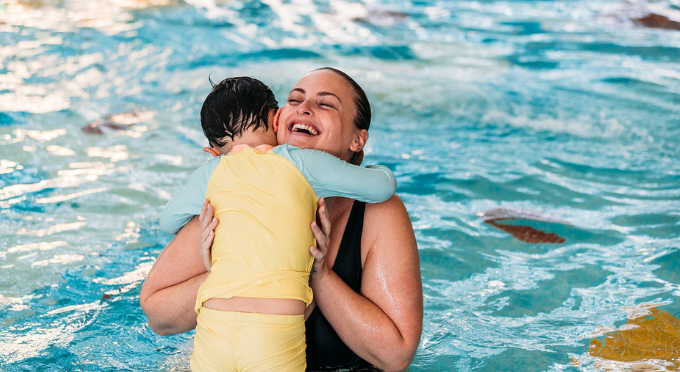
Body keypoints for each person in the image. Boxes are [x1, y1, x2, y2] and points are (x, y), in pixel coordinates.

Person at [140, 67, 423, 372]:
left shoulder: (378, 211)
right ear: (277, 120)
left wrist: (319, 275)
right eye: (294, 99)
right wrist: (231, 272)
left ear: (358, 139)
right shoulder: (233, 196)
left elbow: (395, 355)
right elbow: (158, 316)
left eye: (325, 104)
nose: (304, 108)